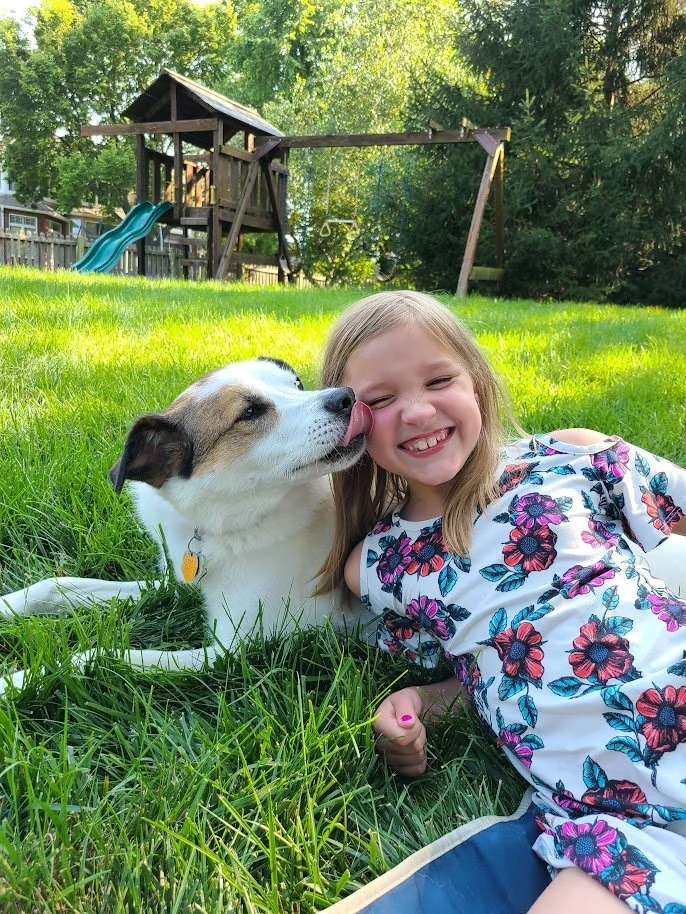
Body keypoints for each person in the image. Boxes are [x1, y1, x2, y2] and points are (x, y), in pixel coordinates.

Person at [318, 290, 686, 913]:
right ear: (351, 424)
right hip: (616, 824)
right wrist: (415, 706)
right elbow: (481, 674)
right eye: (379, 400)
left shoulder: (567, 459)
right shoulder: (378, 566)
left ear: (478, 383)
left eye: (439, 380)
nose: (417, 411)